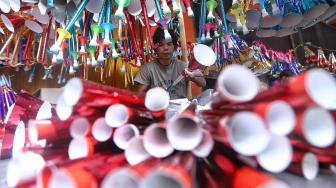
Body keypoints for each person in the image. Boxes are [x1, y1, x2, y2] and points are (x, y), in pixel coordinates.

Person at [134, 27, 206, 99]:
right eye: (161, 45)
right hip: (159, 107)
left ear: (174, 47)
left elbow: (203, 83)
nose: (166, 48)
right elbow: (140, 93)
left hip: (180, 108)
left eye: (169, 44)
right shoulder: (147, 68)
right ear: (155, 48)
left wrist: (192, 77)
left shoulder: (183, 66)